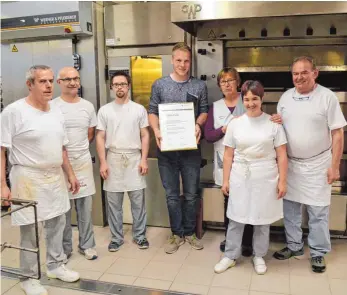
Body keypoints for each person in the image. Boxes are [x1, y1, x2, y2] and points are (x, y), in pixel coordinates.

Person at [1, 65, 80, 295]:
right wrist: (2, 184)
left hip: (54, 176)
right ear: (30, 84)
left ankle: (56, 266)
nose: (48, 86)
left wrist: (71, 174)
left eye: (50, 81)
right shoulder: (14, 112)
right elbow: (1, 149)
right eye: (42, 81)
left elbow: (62, 147)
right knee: (31, 230)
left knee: (57, 223)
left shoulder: (55, 111)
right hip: (27, 177)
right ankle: (29, 277)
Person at [273, 56, 346, 273]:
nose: (299, 77)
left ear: (315, 73)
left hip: (318, 164)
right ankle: (294, 246)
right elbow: (280, 129)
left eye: (304, 72)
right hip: (292, 165)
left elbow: (338, 133)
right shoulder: (285, 98)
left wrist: (335, 166)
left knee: (318, 211)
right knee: (291, 209)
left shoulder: (327, 97)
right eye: (295, 73)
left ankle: (318, 252)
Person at [214, 80, 288, 275]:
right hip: (240, 175)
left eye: (255, 98)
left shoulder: (273, 124)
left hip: (266, 176)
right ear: (242, 99)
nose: (250, 103)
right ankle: (230, 255)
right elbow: (228, 154)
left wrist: (282, 180)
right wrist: (226, 180)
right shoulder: (235, 124)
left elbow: (281, 154)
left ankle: (259, 255)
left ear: (261, 99)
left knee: (262, 219)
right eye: (246, 99)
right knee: (236, 218)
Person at [149, 42, 208, 254]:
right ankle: (176, 233)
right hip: (166, 150)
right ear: (172, 60)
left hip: (191, 150)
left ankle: (190, 232)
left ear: (190, 62)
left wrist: (198, 124)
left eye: (186, 61)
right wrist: (156, 130)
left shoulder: (199, 86)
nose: (183, 64)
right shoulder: (160, 85)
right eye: (179, 60)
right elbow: (152, 111)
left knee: (191, 194)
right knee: (172, 195)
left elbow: (203, 111)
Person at [96, 71, 150, 252]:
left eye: (123, 84)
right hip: (113, 158)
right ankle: (116, 238)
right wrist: (103, 162)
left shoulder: (139, 109)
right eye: (116, 84)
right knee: (114, 203)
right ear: (111, 87)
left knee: (138, 202)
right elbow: (100, 137)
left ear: (129, 86)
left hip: (134, 157)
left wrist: (144, 159)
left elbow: (145, 135)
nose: (120, 87)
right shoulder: (105, 110)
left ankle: (140, 236)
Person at [204, 67, 254, 255]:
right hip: (223, 161)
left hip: (247, 161)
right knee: (229, 203)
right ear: (219, 85)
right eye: (223, 81)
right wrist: (224, 130)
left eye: (230, 80)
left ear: (238, 82)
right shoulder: (215, 107)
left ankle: (247, 241)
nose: (227, 84)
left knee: (248, 201)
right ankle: (231, 239)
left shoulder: (248, 101)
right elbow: (208, 136)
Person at [52, 67, 98, 261]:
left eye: (76, 78)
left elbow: (90, 134)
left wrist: (78, 151)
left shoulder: (87, 106)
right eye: (68, 79)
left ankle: (87, 245)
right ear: (59, 82)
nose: (73, 82)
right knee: (63, 209)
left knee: (85, 207)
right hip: (59, 163)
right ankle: (65, 248)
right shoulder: (52, 107)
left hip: (83, 162)